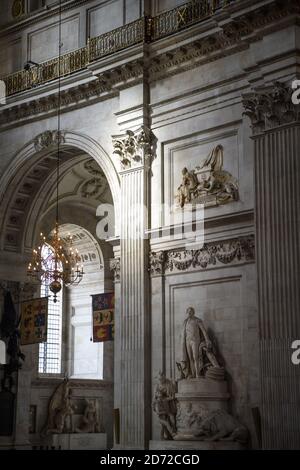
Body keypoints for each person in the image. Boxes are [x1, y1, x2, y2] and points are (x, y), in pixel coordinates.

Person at [180, 307, 220, 378]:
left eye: (191, 311)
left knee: (196, 357)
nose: (189, 313)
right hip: (187, 341)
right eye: (188, 312)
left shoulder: (197, 320)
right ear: (187, 313)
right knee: (190, 358)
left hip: (195, 340)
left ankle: (197, 374)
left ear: (193, 312)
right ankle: (193, 374)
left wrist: (207, 339)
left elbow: (204, 331)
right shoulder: (185, 322)